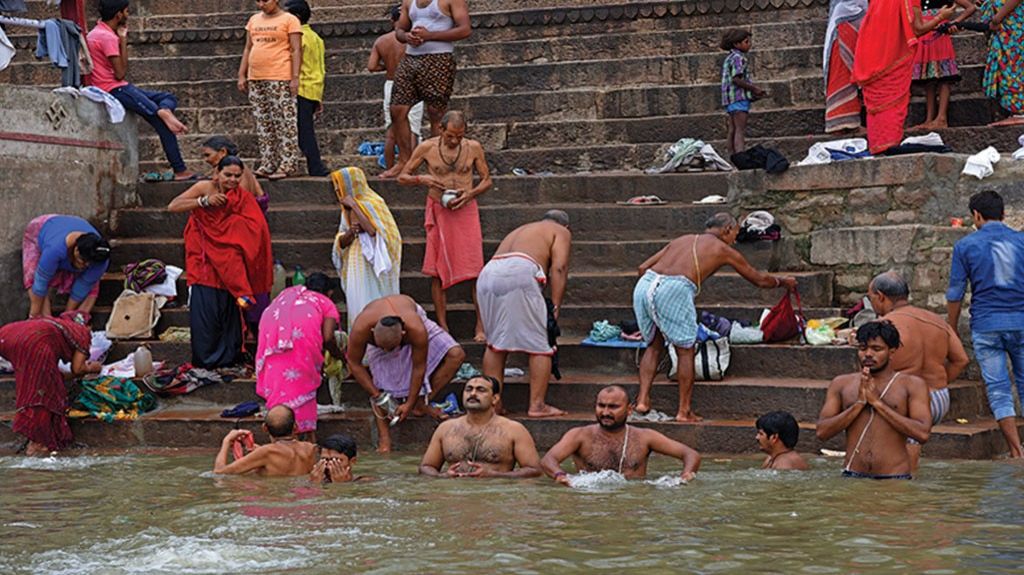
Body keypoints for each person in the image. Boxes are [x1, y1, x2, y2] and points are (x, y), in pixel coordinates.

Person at [633, 213, 797, 422]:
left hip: (645, 284)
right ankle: (684, 411)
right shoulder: (723, 250)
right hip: (674, 287)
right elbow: (759, 280)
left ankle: (642, 401)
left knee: (653, 345)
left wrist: (655, 298)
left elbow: (641, 268)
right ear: (727, 229)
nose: (735, 240)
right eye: (735, 233)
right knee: (685, 350)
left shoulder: (681, 240)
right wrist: (784, 282)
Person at [167, 156, 273, 368]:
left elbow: (256, 228)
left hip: (231, 266)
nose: (232, 180)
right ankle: (206, 360)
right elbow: (173, 206)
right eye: (227, 175)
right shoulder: (204, 187)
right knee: (206, 315)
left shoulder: (241, 196)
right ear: (217, 173)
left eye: (237, 176)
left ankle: (230, 357)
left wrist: (236, 229)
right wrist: (203, 202)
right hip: (205, 262)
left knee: (230, 313)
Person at [397, 111, 491, 340]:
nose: (454, 141)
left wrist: (471, 193)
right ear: (441, 130)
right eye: (450, 136)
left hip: (466, 209)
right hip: (439, 208)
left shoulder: (473, 147)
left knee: (476, 269)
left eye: (459, 136)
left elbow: (487, 180)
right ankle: (443, 326)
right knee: (437, 272)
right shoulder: (427, 148)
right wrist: (423, 179)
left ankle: (480, 326)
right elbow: (403, 176)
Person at [947, 190, 1024, 458]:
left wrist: (952, 330)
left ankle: (1016, 452)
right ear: (1003, 214)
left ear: (976, 216)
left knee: (999, 389)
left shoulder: (965, 246)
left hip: (987, 325)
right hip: (1022, 322)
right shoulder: (1021, 241)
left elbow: (955, 293)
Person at [867, 271, 969, 470]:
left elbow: (871, 369)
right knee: (909, 442)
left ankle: (907, 491)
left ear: (880, 296)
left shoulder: (883, 328)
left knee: (904, 446)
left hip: (906, 401)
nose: (870, 302)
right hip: (939, 398)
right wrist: (939, 383)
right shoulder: (937, 320)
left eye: (869, 297)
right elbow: (961, 360)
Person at [86, 0, 196, 181]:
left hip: (114, 86)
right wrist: (122, 40)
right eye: (127, 12)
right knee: (162, 125)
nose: (128, 15)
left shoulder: (96, 32)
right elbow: (120, 73)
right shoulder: (107, 38)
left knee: (167, 97)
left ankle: (164, 110)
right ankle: (180, 170)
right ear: (118, 15)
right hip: (114, 89)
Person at [477, 211, 572, 418]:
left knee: (495, 343)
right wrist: (555, 305)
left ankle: (494, 404)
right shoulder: (560, 231)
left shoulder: (521, 230)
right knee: (539, 343)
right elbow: (559, 268)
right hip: (519, 272)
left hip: (487, 275)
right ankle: (537, 405)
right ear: (566, 226)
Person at [347, 294, 465, 452]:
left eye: (390, 348)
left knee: (456, 354)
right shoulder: (361, 328)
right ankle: (384, 440)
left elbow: (418, 367)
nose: (386, 351)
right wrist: (377, 395)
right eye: (382, 347)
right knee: (381, 385)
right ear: (373, 331)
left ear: (403, 334)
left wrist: (410, 402)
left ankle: (421, 402)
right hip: (385, 332)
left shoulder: (416, 329)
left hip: (413, 320)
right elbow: (354, 363)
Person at [816, 321, 931, 479]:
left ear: (892, 351)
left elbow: (922, 434)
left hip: (895, 479)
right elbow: (822, 432)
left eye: (877, 349)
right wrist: (859, 404)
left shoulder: (912, 385)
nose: (868, 354)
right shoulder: (841, 383)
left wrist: (877, 403)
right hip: (851, 476)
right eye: (863, 348)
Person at [381, 0, 471, 178]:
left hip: (439, 58)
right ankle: (404, 161)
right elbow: (399, 31)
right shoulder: (409, 2)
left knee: (435, 113)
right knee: (397, 109)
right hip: (410, 58)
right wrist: (407, 37)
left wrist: (430, 36)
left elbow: (464, 29)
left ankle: (438, 161)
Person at [851, 0, 956, 153]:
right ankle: (888, 146)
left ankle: (878, 146)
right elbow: (917, 29)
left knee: (876, 106)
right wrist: (941, 17)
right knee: (891, 103)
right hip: (892, 60)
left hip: (871, 57)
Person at [539, 385, 701, 484]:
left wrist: (685, 476)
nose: (605, 412)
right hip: (591, 503)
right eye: (601, 406)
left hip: (632, 503)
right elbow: (548, 460)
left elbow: (690, 454)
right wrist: (560, 475)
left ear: (629, 410)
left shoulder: (645, 437)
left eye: (613, 407)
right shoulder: (580, 436)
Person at [255, 273, 345, 440]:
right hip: (301, 346)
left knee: (279, 390)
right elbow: (328, 338)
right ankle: (308, 443)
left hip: (273, 342)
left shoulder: (285, 297)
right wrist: (340, 356)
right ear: (329, 292)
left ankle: (277, 440)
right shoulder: (326, 303)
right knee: (303, 387)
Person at [0, 311, 102, 456]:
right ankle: (37, 443)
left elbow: (54, 373)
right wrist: (93, 367)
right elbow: (77, 369)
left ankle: (35, 439)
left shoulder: (53, 324)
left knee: (41, 381)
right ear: (88, 326)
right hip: (33, 341)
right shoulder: (82, 333)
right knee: (43, 392)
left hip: (5, 336)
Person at [419, 375, 542, 478]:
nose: (472, 393)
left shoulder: (514, 430)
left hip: (495, 497)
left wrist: (495, 475)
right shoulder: (445, 428)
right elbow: (426, 467)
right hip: (455, 498)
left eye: (480, 390)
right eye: (468, 389)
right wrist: (443, 476)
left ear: (495, 398)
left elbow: (535, 470)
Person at [330, 167, 402, 330]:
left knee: (374, 304)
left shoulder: (374, 203)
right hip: (355, 264)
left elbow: (374, 232)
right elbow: (341, 241)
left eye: (339, 185)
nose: (336, 190)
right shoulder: (345, 212)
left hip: (372, 266)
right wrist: (351, 232)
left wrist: (355, 205)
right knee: (358, 306)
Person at [237, 0, 302, 180]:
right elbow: (248, 47)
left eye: (265, 0)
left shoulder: (289, 20)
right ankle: (268, 162)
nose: (261, 4)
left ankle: (287, 164)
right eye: (258, 1)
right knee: (263, 122)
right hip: (256, 76)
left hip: (280, 75)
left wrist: (295, 77)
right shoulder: (254, 20)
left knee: (284, 122)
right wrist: (242, 74)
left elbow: (296, 50)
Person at [368, 4, 425, 170]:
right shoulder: (415, 40)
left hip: (391, 84)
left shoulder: (381, 41)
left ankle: (390, 167)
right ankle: (410, 169)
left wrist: (388, 66)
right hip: (413, 83)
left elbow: (371, 66)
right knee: (412, 129)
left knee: (391, 131)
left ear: (392, 20)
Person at [22, 215, 111, 318]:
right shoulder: (55, 249)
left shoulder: (101, 260)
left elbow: (82, 287)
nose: (85, 265)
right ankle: (45, 318)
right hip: (41, 230)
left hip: (70, 229)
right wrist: (34, 314)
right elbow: (40, 282)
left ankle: (76, 320)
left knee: (92, 283)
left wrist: (67, 316)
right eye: (82, 261)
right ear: (76, 250)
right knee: (34, 274)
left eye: (89, 263)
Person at [908, 0, 976, 130]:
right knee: (928, 78)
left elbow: (970, 7)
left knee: (944, 77)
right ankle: (929, 118)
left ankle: (941, 117)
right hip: (923, 33)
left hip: (939, 33)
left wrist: (954, 22)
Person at [284, 0, 329, 177]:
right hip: (313, 88)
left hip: (300, 87)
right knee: (304, 129)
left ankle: (316, 166)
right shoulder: (316, 38)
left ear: (296, 17)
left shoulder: (298, 37)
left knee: (303, 132)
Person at [213, 405, 318, 476]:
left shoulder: (266, 452)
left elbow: (219, 472)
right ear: (296, 427)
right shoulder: (310, 448)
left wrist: (226, 441)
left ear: (264, 428)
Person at [720, 29, 766, 156]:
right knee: (740, 130)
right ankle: (740, 156)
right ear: (737, 44)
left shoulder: (729, 58)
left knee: (732, 130)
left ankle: (732, 157)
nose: (749, 44)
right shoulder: (738, 58)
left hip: (730, 100)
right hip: (739, 98)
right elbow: (736, 79)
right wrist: (754, 88)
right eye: (746, 42)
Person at [823, 0, 867, 133]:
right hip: (842, 32)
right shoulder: (844, 9)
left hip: (851, 24)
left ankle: (849, 122)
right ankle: (843, 123)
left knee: (849, 77)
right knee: (841, 77)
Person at [199, 135, 267, 213]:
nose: (206, 160)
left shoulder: (236, 169)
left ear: (223, 152)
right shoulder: (241, 167)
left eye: (208, 155)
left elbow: (239, 199)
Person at [983, 0, 1024, 126]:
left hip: (1012, 23)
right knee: (1009, 64)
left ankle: (1020, 112)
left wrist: (997, 18)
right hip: (1006, 24)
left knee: (1014, 64)